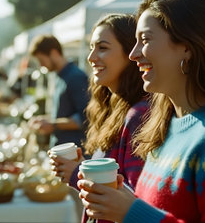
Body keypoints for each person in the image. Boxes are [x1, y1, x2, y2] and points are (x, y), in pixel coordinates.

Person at [77, 0, 205, 223]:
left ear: (187, 46)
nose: (133, 55)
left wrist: (131, 211)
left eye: (145, 40)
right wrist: (123, 200)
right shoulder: (162, 128)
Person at [49, 14, 149, 223]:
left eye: (102, 48)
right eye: (91, 48)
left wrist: (79, 174)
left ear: (131, 53)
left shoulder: (139, 115)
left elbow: (137, 199)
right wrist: (86, 166)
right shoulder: (109, 107)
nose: (91, 57)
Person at [28, 35, 89, 147]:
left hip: (74, 151)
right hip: (61, 148)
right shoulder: (57, 77)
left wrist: (52, 124)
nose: (41, 65)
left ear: (54, 53)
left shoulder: (76, 77)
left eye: (41, 60)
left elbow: (85, 117)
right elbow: (64, 113)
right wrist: (45, 120)